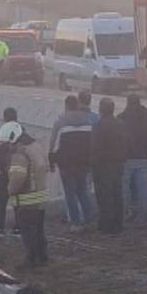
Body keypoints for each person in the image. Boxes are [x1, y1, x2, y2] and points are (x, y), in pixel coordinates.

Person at [2, 122, 49, 268]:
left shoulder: (20, 154)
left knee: (28, 231)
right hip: (40, 197)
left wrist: (9, 190)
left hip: (26, 200)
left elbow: (17, 178)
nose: (8, 147)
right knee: (39, 230)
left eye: (8, 143)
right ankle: (42, 257)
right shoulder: (36, 147)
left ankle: (31, 260)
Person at [49, 95, 95, 232]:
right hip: (83, 163)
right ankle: (89, 219)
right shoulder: (87, 121)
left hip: (66, 163)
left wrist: (51, 160)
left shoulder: (61, 121)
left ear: (66, 106)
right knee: (82, 191)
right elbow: (91, 144)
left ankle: (76, 223)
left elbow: (54, 143)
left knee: (70, 194)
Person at [117, 94, 147, 225]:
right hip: (142, 158)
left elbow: (117, 139)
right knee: (143, 188)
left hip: (126, 158)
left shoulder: (121, 118)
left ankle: (127, 213)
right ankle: (143, 216)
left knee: (125, 187)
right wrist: (145, 149)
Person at [92, 98, 130, 235]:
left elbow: (95, 147)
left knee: (104, 195)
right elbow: (127, 142)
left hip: (103, 165)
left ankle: (106, 225)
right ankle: (118, 224)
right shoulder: (121, 124)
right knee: (117, 193)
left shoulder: (99, 125)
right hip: (118, 164)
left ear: (101, 110)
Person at [0, 108, 20, 236]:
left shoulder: (2, 130)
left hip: (2, 170)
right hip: (17, 169)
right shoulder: (20, 129)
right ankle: (18, 227)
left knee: (1, 199)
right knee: (18, 198)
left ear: (5, 118)